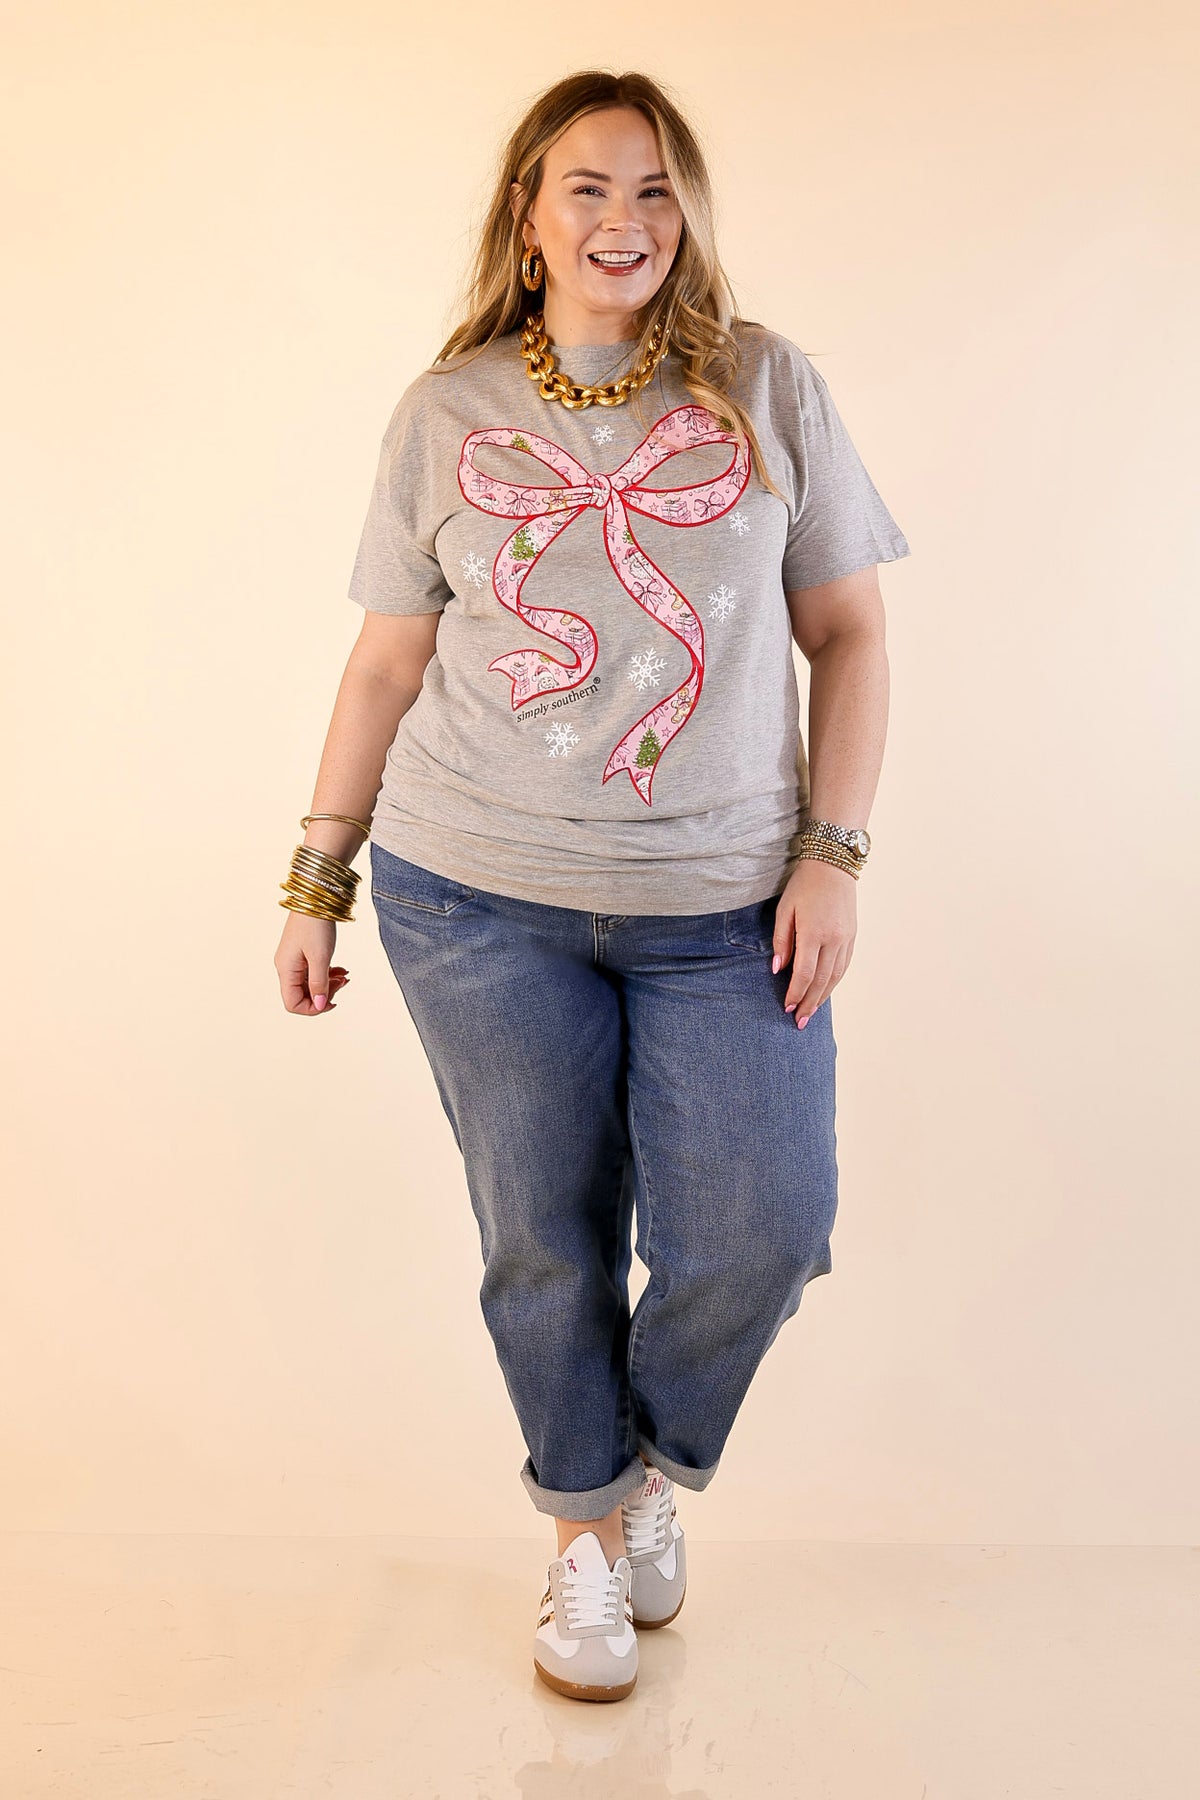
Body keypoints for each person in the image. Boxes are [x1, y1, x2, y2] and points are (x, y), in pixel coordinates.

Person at [273, 68, 910, 1705]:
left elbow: (849, 635)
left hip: (727, 908)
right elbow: (385, 664)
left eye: (655, 188)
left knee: (764, 1228)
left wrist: (832, 855)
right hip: (473, 896)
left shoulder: (765, 387)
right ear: (529, 213)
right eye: (589, 187)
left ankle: (632, 1478)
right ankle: (583, 1534)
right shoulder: (448, 411)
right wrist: (317, 875)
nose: (625, 220)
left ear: (686, 212)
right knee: (544, 1238)